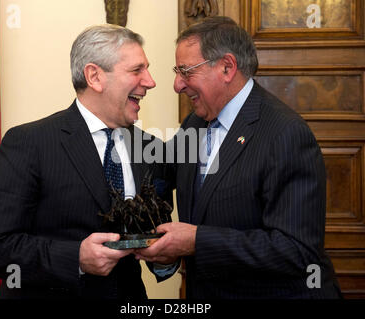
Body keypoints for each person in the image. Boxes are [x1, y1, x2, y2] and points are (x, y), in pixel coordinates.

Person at [135, 16, 342, 299]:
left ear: (227, 67)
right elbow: (156, 168)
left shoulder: (285, 134)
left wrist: (198, 241)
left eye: (186, 71)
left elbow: (296, 250)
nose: (177, 85)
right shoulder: (194, 125)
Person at [0, 24, 171, 299]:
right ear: (94, 76)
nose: (150, 81)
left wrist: (165, 260)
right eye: (137, 70)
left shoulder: (151, 148)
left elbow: (158, 236)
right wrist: (75, 258)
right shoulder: (29, 143)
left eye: (147, 69)